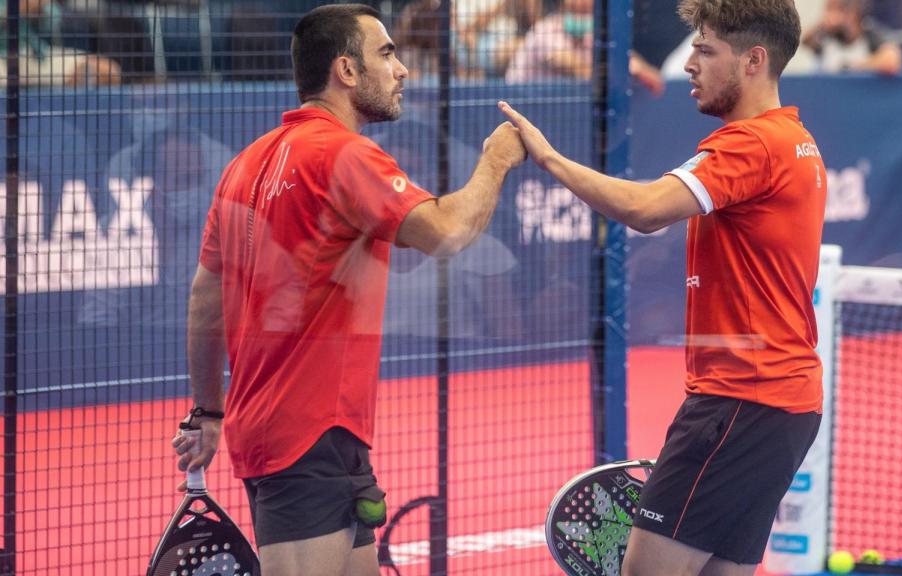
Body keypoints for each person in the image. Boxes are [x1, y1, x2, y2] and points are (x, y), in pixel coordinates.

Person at [171, 4, 525, 576]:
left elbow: (203, 302)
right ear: (347, 71)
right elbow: (447, 231)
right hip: (307, 439)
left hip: (316, 437)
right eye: (387, 54)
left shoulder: (242, 166)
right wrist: (497, 160)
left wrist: (210, 410)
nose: (402, 69)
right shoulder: (343, 153)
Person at [498, 0, 826, 573]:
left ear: (753, 60)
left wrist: (548, 158)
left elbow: (646, 209)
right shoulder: (795, 140)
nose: (689, 64)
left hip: (737, 402)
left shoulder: (751, 144)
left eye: (705, 51)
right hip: (784, 409)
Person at [505, 0, 665, 96]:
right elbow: (577, 68)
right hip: (524, 110)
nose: (585, 3)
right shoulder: (546, 31)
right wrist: (621, 72)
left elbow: (653, 78)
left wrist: (636, 68)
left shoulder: (595, 35)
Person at [801, 0, 902, 75]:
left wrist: (852, 67)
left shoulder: (869, 34)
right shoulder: (827, 37)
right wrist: (823, 23)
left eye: (840, 10)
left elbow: (891, 60)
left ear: (854, 13)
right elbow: (805, 42)